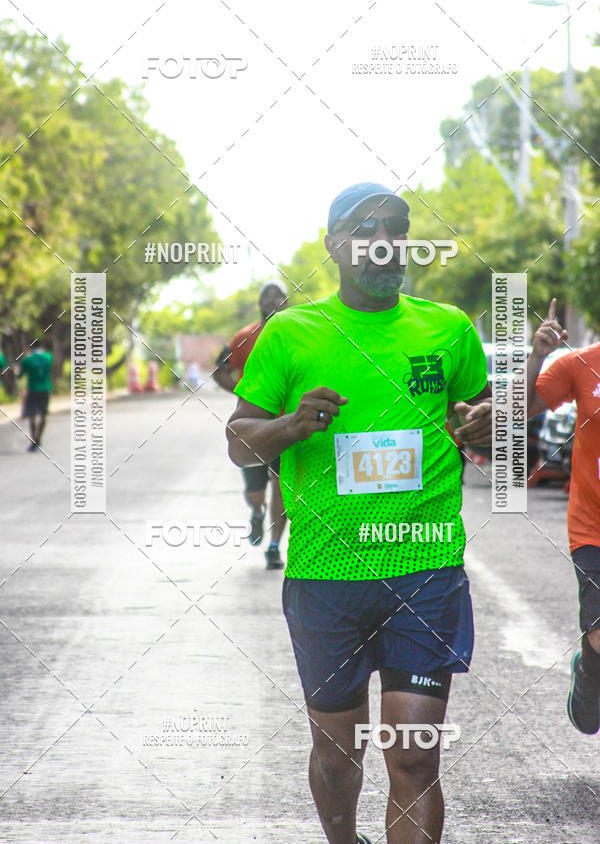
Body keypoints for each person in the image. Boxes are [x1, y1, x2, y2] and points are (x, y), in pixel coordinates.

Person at [226, 182, 492, 843]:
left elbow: (481, 421)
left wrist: (487, 426)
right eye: (366, 228)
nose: (383, 241)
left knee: (414, 758)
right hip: (326, 577)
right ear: (334, 245)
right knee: (338, 755)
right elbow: (238, 442)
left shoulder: (449, 329)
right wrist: (291, 425)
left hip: (425, 569)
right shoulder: (292, 333)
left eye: (396, 228)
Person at [527, 299, 600, 735]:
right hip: (593, 528)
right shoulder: (581, 365)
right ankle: (589, 673)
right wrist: (537, 356)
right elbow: (520, 408)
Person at [214, 281, 289, 569]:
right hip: (253, 426)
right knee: (256, 492)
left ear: (286, 301)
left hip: (286, 425)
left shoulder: (295, 333)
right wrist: (246, 395)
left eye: (277, 295)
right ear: (258, 303)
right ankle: (257, 511)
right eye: (266, 296)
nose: (271, 300)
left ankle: (274, 546)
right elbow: (220, 370)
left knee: (281, 486)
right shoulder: (244, 337)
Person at [19, 340, 53, 451]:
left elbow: (20, 375)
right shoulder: (48, 357)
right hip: (45, 389)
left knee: (32, 415)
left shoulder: (27, 360)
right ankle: (38, 438)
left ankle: (33, 440)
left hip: (32, 389)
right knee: (43, 414)